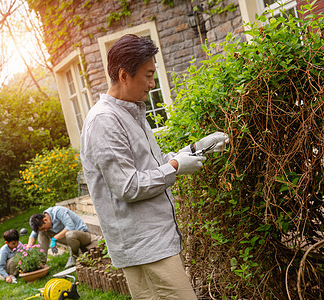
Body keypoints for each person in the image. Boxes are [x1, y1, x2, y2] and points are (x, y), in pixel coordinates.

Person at [80, 34, 229, 299]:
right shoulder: (104, 121)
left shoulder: (130, 111)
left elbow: (150, 166)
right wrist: (175, 166)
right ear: (125, 75)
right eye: (148, 76)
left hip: (153, 242)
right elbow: (128, 186)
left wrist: (192, 150)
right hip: (143, 245)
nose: (152, 83)